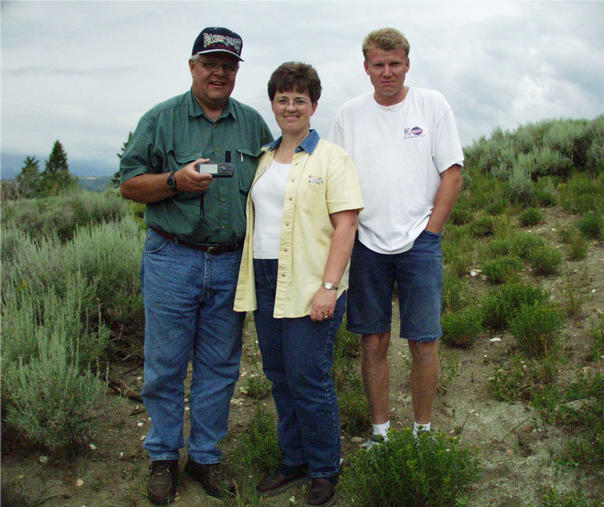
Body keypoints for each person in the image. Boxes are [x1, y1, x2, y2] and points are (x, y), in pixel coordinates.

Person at [119, 27, 273, 505]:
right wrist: (174, 181)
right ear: (192, 67)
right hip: (172, 258)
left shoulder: (252, 126)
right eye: (210, 63)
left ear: (236, 72)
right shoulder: (161, 120)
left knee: (220, 366)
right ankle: (163, 454)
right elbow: (129, 184)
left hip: (230, 263)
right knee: (164, 365)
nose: (219, 72)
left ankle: (205, 456)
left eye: (228, 65)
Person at [234, 62, 363, 506]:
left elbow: (346, 226)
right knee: (279, 376)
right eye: (283, 99)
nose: (291, 107)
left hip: (311, 282)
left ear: (313, 105)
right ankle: (294, 460)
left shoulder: (331, 158)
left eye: (300, 99)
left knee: (309, 378)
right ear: (273, 104)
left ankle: (326, 468)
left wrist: (329, 286)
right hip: (266, 279)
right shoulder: (265, 158)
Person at [329, 27, 464, 446]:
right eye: (378, 65)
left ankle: (423, 433)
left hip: (419, 243)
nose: (387, 72)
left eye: (395, 64)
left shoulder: (432, 105)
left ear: (408, 64)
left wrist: (431, 232)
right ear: (366, 67)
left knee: (424, 341)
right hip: (367, 242)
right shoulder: (349, 114)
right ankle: (381, 433)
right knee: (374, 341)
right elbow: (335, 179)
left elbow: (452, 173)